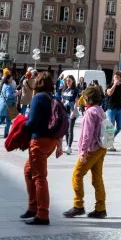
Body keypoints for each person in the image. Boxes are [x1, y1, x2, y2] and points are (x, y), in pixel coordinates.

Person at [22, 71, 64, 225]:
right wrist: (59, 143)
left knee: (39, 177)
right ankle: (33, 207)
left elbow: (32, 122)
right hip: (50, 141)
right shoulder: (53, 97)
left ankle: (42, 214)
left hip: (39, 140)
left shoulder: (38, 98)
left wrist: (20, 125)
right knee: (28, 171)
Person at [63, 83, 108, 219]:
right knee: (97, 178)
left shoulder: (90, 113)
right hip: (101, 148)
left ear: (88, 99)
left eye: (84, 97)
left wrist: (82, 152)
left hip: (91, 149)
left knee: (77, 175)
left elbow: (87, 135)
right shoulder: (100, 110)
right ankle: (101, 208)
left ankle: (78, 205)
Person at [105, 72, 121, 152]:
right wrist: (114, 84)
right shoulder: (109, 85)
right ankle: (110, 144)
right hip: (110, 109)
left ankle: (109, 139)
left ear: (120, 78)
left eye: (118, 77)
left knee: (120, 126)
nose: (116, 78)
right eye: (115, 77)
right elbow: (109, 93)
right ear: (113, 78)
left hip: (119, 109)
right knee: (110, 126)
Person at [61, 75, 78, 155]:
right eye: (67, 81)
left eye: (69, 81)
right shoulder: (64, 89)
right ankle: (67, 146)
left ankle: (69, 147)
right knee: (66, 130)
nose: (67, 82)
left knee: (70, 130)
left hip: (71, 112)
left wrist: (73, 112)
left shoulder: (75, 90)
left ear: (73, 81)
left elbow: (76, 103)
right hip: (65, 111)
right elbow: (62, 100)